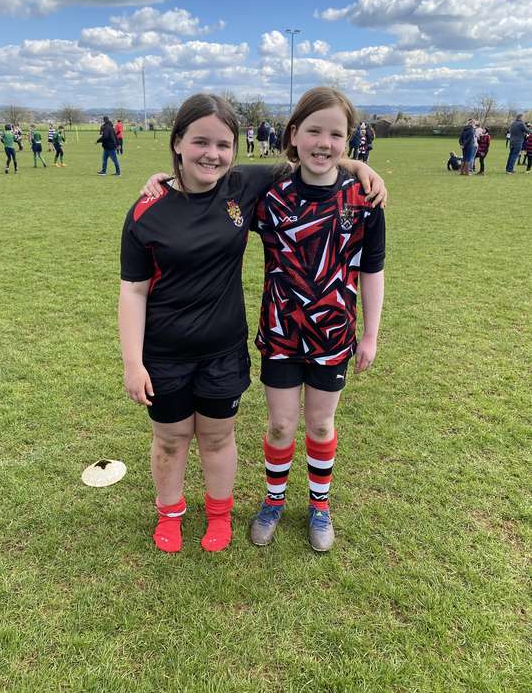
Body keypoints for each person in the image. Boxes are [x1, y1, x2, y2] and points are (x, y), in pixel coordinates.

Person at [123, 93, 388, 555]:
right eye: (200, 141)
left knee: (297, 429)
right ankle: (237, 506)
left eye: (223, 144)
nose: (213, 153)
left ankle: (305, 509)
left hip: (301, 341)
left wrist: (361, 168)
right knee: (251, 429)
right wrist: (163, 180)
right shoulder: (238, 196)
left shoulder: (341, 198)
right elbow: (139, 280)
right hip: (257, 339)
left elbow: (367, 257)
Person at [248, 87, 385, 552]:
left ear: (348, 140)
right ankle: (273, 500)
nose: (324, 143)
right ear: (293, 134)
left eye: (336, 134)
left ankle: (320, 507)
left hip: (333, 336)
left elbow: (373, 269)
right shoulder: (269, 193)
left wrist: (370, 335)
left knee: (321, 427)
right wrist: (161, 178)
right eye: (314, 131)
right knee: (282, 425)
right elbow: (210, 180)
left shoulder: (364, 198)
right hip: (281, 333)